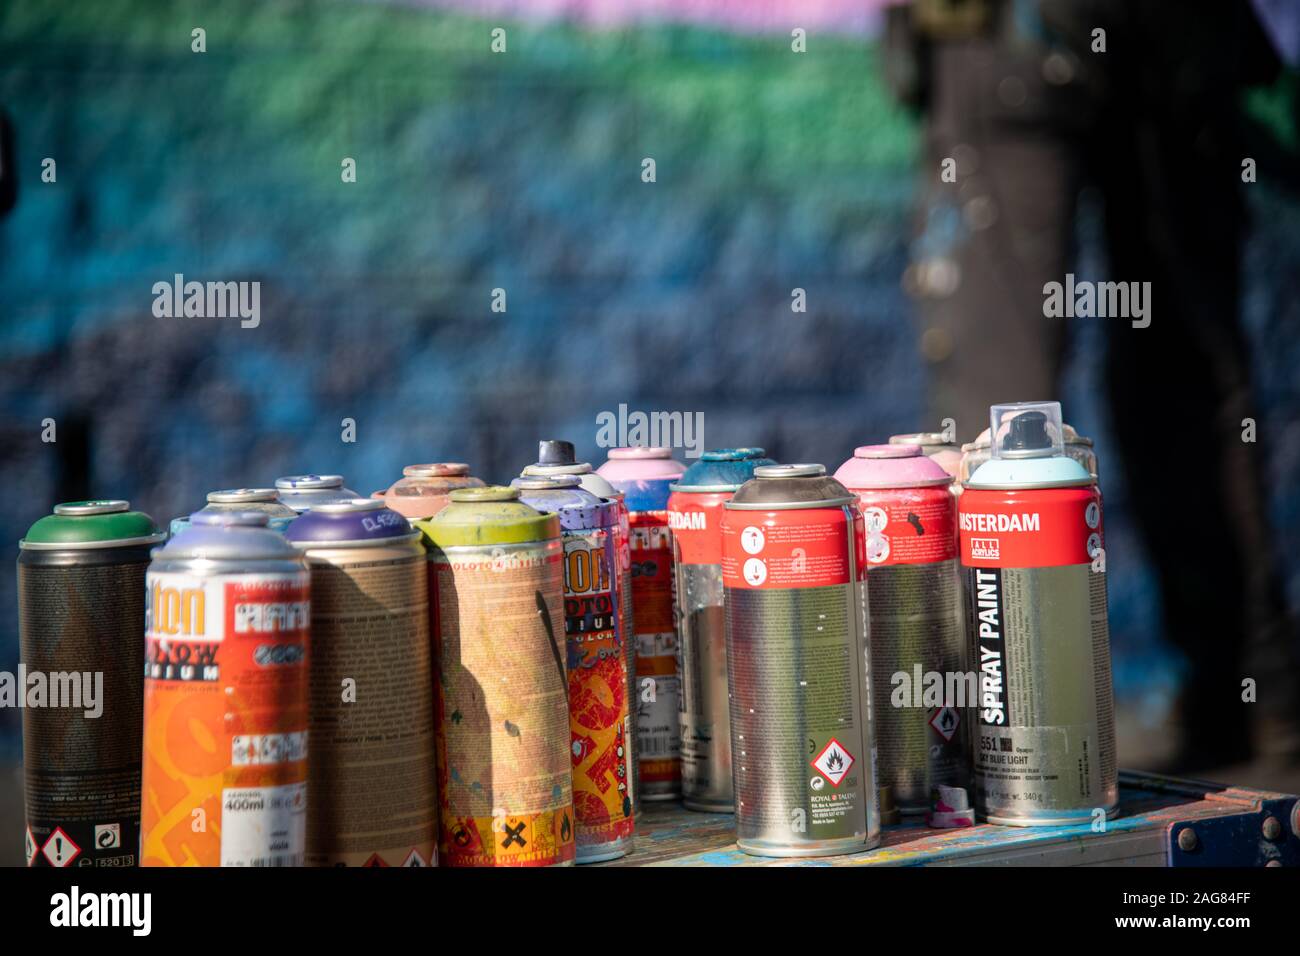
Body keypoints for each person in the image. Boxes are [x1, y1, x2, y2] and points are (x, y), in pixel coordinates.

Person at [885, 0, 1298, 770]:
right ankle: (1248, 700)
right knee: (1187, 378)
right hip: (1179, 38)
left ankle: (1005, 733)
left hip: (1011, 33)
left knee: (999, 396)